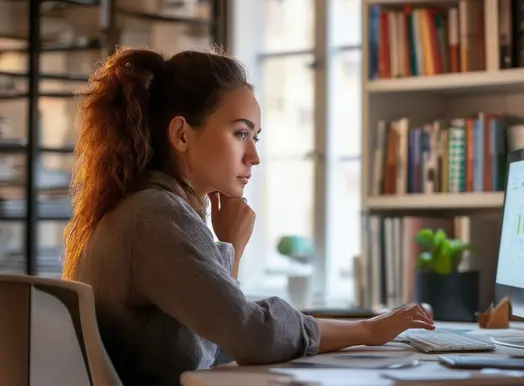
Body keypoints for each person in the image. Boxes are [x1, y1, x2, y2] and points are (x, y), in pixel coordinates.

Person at [61, 46, 435, 386]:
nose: (253, 156)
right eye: (240, 133)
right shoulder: (155, 216)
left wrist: (227, 249)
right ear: (181, 135)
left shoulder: (152, 209)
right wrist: (369, 331)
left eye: (255, 138)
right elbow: (251, 336)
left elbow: (217, 330)